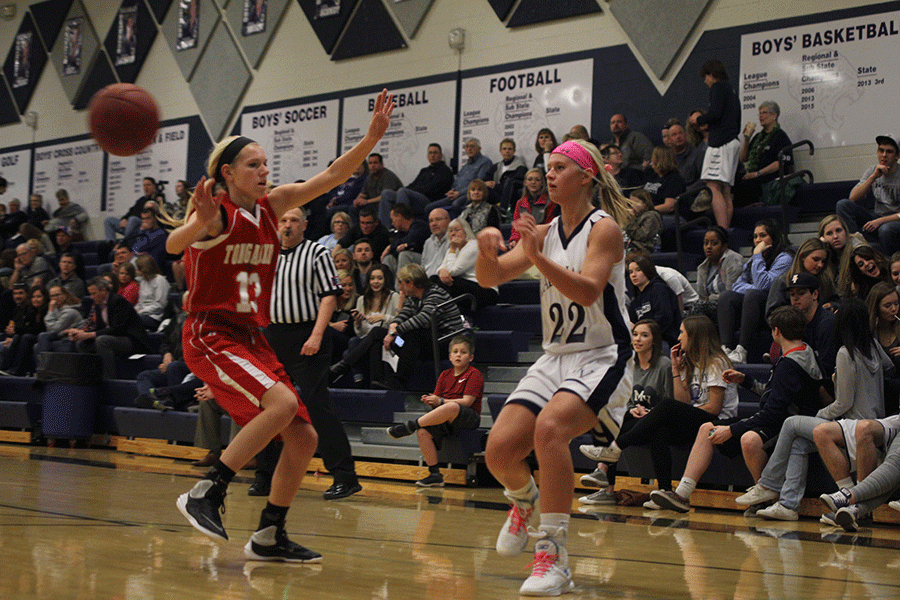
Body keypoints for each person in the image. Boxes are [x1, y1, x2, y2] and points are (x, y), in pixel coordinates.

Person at [168, 89, 393, 561]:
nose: (264, 171)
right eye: (252, 164)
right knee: (284, 402)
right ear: (227, 173)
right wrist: (197, 223)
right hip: (210, 332)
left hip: (251, 336)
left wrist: (370, 138)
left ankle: (269, 534)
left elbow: (332, 175)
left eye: (265, 163)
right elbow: (173, 243)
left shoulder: (274, 207)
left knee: (304, 436)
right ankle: (206, 491)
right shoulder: (214, 213)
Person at [475, 139, 632, 595]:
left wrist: (537, 257)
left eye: (560, 167)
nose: (550, 174)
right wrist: (487, 250)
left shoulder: (604, 229)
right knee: (499, 452)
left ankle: (554, 557)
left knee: (550, 430)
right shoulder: (543, 232)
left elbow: (586, 292)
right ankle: (524, 501)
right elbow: (491, 279)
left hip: (604, 354)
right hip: (556, 355)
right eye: (548, 168)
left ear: (586, 176)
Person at [651, 306, 824, 513]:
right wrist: (747, 381)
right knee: (708, 428)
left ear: (776, 331)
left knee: (747, 438)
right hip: (784, 419)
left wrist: (731, 430)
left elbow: (774, 412)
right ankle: (683, 493)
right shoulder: (803, 352)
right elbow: (777, 395)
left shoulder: (789, 363)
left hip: (787, 425)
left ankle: (765, 494)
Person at [735, 298, 887, 521]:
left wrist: (819, 415)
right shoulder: (873, 346)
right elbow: (890, 368)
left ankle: (768, 483)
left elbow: (843, 403)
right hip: (877, 422)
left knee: (792, 423)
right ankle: (788, 505)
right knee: (798, 443)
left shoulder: (846, 353)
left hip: (853, 425)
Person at [262, 207, 362, 501]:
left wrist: (318, 335)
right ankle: (264, 475)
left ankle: (345, 476)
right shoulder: (267, 254)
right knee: (268, 406)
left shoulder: (317, 253)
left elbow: (330, 297)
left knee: (318, 405)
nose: (287, 225)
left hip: (308, 334)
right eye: (283, 220)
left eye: (294, 220)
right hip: (273, 336)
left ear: (305, 225)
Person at [604, 316, 737, 509]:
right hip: (697, 420)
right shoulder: (689, 362)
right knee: (660, 428)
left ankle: (616, 447)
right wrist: (676, 368)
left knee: (667, 407)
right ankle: (665, 492)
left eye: (682, 332)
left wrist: (678, 412)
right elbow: (682, 401)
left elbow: (714, 408)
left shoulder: (717, 362)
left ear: (695, 336)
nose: (679, 337)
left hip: (719, 421)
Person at [579, 320, 674, 507]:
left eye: (644, 335)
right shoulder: (630, 364)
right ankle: (606, 491)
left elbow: (670, 402)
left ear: (654, 341)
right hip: (636, 420)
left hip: (660, 420)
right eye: (636, 334)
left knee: (658, 433)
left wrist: (650, 411)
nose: (638, 339)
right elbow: (626, 399)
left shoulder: (664, 365)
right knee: (613, 425)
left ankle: (665, 491)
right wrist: (632, 408)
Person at [386, 335, 484, 487]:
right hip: (447, 418)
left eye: (463, 352)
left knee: (451, 407)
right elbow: (438, 400)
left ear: (470, 357)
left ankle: (410, 426)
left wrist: (441, 401)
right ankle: (434, 474)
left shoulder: (474, 374)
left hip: (468, 417)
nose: (459, 355)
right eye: (455, 351)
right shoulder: (445, 375)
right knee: (423, 432)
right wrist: (431, 401)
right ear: (450, 356)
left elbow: (467, 402)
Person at [378, 263, 464, 391]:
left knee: (413, 335)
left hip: (446, 343)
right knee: (377, 333)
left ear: (411, 283)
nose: (400, 288)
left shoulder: (435, 294)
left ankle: (399, 382)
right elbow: (404, 314)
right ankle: (376, 379)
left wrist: (395, 332)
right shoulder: (414, 297)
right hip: (423, 344)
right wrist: (393, 325)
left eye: (402, 283)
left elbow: (423, 319)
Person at [718, 219, 792, 364]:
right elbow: (737, 285)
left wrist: (757, 255)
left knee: (753, 295)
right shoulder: (755, 258)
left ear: (774, 237)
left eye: (762, 235)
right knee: (727, 296)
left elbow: (764, 285)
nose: (758, 240)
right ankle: (725, 348)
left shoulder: (785, 258)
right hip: (754, 304)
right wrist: (754, 286)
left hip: (774, 306)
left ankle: (742, 350)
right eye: (755, 236)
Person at [63, 276, 151, 379]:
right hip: (113, 338)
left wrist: (89, 334)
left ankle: (109, 378)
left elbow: (118, 329)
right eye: (90, 294)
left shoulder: (118, 301)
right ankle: (91, 376)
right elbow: (98, 327)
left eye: (93, 293)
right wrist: (80, 332)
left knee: (102, 340)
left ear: (104, 291)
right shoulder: (98, 304)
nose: (91, 297)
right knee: (81, 343)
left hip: (131, 340)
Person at [689, 60, 741, 228]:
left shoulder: (718, 88)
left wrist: (699, 119)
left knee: (712, 186)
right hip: (732, 141)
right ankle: (725, 227)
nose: (705, 81)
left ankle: (722, 229)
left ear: (711, 74)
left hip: (721, 143)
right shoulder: (731, 91)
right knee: (725, 189)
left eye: (706, 77)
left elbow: (715, 114)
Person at [331, 264, 399, 386]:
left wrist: (384, 317)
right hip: (371, 342)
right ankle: (373, 382)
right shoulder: (362, 300)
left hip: (397, 340)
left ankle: (343, 366)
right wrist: (358, 322)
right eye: (372, 278)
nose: (375, 282)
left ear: (385, 280)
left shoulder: (394, 297)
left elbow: (402, 323)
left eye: (379, 278)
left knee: (376, 332)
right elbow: (361, 333)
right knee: (356, 341)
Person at [836, 136, 900, 256]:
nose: (884, 155)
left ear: (898, 156)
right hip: (876, 217)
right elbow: (853, 198)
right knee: (843, 205)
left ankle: (889, 264)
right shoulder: (872, 171)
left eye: (889, 152)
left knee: (885, 229)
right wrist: (873, 177)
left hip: (894, 221)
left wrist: (880, 221)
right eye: (881, 150)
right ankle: (857, 249)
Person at [734, 101, 793, 207]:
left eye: (764, 113)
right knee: (735, 184)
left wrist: (758, 173)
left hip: (769, 178)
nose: (761, 116)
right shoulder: (758, 137)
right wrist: (747, 139)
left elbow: (780, 163)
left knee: (746, 186)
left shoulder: (781, 137)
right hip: (755, 178)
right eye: (760, 113)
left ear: (774, 115)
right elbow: (743, 158)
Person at [431, 218, 498, 311]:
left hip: (486, 291)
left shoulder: (474, 246)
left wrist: (452, 250)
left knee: (443, 283)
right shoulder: (454, 248)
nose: (453, 234)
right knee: (433, 279)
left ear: (466, 231)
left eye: (457, 230)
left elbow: (453, 271)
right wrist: (441, 271)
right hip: (466, 286)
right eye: (450, 231)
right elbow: (441, 267)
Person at [377, 144, 453, 224]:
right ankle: (385, 228)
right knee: (387, 193)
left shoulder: (445, 171)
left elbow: (431, 189)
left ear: (441, 155)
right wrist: (402, 190)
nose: (432, 155)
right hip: (416, 197)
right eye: (430, 153)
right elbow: (413, 185)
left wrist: (407, 191)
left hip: (429, 201)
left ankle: (402, 224)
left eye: (435, 153)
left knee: (403, 191)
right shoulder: (424, 171)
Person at [627, 252, 681, 347]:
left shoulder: (659, 289)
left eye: (638, 270)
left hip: (665, 341)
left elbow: (665, 319)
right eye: (631, 272)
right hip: (645, 343)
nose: (633, 275)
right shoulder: (635, 302)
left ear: (647, 270)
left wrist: (645, 333)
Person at [427, 138, 494, 214]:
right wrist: (452, 190)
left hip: (469, 195)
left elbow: (478, 183)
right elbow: (456, 181)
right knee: (429, 207)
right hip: (456, 194)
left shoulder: (485, 162)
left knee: (456, 204)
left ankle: (457, 225)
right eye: (467, 146)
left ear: (479, 149)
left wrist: (458, 193)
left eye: (472, 146)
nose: (469, 149)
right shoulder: (465, 166)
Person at [693, 226, 744, 320]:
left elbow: (731, 293)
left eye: (714, 243)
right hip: (710, 308)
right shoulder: (702, 267)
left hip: (730, 307)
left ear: (724, 246)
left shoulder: (733, 259)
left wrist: (711, 298)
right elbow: (702, 297)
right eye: (706, 243)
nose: (708, 247)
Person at [1, 285, 47, 376]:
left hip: (43, 337)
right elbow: (26, 328)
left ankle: (17, 370)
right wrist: (12, 335)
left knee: (25, 337)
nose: (36, 299)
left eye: (39, 297)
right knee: (17, 337)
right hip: (30, 336)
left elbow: (39, 329)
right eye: (33, 297)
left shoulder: (47, 310)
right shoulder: (31, 310)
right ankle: (5, 368)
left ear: (45, 298)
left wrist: (16, 330)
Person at [508, 169, 556, 250]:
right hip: (523, 241)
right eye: (530, 179)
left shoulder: (550, 202)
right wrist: (514, 240)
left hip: (543, 242)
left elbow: (549, 227)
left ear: (542, 183)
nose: (533, 182)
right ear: (525, 183)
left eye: (537, 180)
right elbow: (516, 226)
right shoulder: (520, 203)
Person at [34, 285, 84, 356]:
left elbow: (53, 330)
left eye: (57, 295)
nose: (55, 298)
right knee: (37, 345)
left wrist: (50, 311)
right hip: (60, 337)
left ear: (65, 295)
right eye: (52, 296)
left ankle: (43, 366)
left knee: (43, 336)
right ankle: (43, 366)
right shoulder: (56, 309)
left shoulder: (70, 312)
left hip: (70, 339)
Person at [380, 203, 428, 274]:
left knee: (404, 255)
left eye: (392, 219)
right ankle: (388, 284)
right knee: (388, 258)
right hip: (411, 264)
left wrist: (390, 247)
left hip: (425, 260)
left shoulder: (419, 225)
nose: (392, 223)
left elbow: (411, 239)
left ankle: (401, 284)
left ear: (399, 216)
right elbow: (395, 252)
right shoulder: (401, 233)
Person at [350, 153, 402, 219]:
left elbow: (384, 197)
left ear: (381, 164)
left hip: (389, 206)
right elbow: (364, 193)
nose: (372, 165)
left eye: (375, 163)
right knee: (353, 208)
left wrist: (366, 201)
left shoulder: (388, 176)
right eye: (370, 163)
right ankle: (358, 229)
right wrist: (357, 200)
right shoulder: (369, 177)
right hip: (374, 205)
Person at [485, 138, 528, 214]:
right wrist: (487, 183)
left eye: (510, 149)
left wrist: (495, 186)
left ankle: (503, 213)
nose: (507, 151)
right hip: (496, 194)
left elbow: (513, 185)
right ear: (500, 151)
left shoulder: (520, 167)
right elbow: (485, 179)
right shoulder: (496, 166)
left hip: (509, 197)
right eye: (504, 149)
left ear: (514, 151)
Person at [643, 146, 686, 218]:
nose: (651, 160)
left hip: (667, 216)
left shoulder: (674, 179)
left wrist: (646, 211)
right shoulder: (652, 175)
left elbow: (669, 206)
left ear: (660, 160)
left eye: (654, 157)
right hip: (649, 213)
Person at [133, 255, 170, 331]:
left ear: (145, 269)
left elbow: (160, 305)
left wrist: (141, 312)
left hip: (155, 316)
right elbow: (140, 303)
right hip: (143, 313)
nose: (136, 270)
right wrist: (133, 310)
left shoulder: (160, 280)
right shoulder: (144, 281)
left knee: (132, 320)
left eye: (138, 268)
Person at [623, 189, 661, 254]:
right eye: (631, 203)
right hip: (631, 245)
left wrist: (631, 221)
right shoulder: (637, 215)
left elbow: (641, 236)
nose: (632, 205)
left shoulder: (651, 216)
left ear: (645, 203)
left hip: (644, 248)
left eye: (635, 202)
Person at [421, 208, 451, 277]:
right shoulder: (428, 242)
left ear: (449, 221)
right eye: (431, 221)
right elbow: (423, 267)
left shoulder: (453, 240)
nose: (434, 224)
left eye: (438, 219)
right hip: (426, 283)